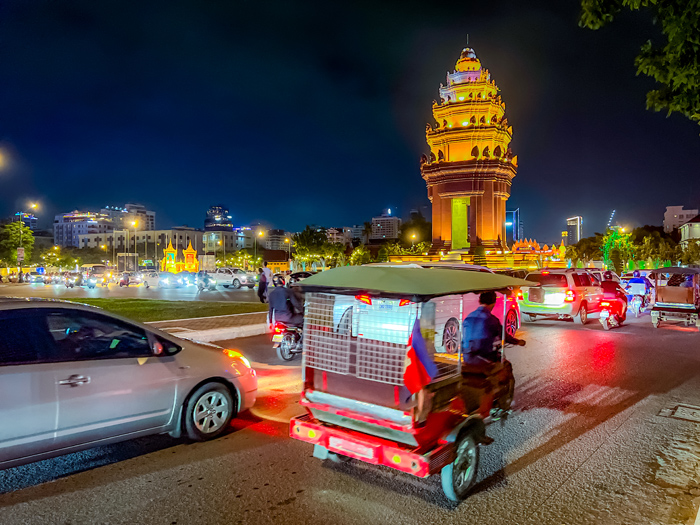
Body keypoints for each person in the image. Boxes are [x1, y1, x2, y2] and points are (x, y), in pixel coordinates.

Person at [461, 291, 525, 418]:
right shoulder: (492, 320)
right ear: (493, 303)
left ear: (479, 301)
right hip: (482, 360)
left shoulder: (469, 317)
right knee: (506, 367)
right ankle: (503, 406)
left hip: (467, 358)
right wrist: (518, 342)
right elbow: (504, 336)